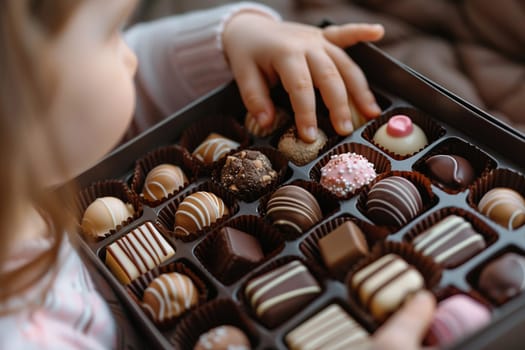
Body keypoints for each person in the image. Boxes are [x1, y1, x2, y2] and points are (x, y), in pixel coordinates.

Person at [0, 0, 435, 348]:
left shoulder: (33, 152)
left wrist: (233, 39)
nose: (130, 56)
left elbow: (118, 91)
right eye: (112, 35)